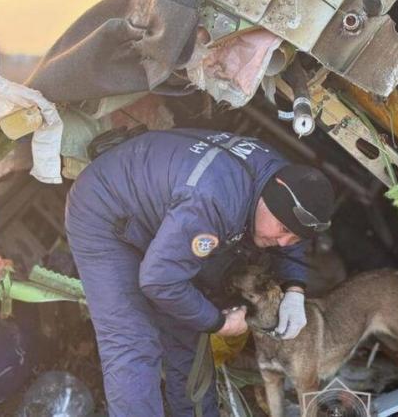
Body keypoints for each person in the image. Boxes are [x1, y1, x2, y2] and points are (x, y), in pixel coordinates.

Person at [65, 129, 335, 416]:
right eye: (282, 231)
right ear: (266, 201)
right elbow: (159, 281)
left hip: (162, 210)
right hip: (104, 212)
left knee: (186, 331)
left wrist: (295, 288)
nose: (283, 243)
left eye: (293, 238)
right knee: (132, 343)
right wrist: (218, 322)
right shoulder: (215, 202)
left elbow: (292, 232)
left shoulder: (282, 177)